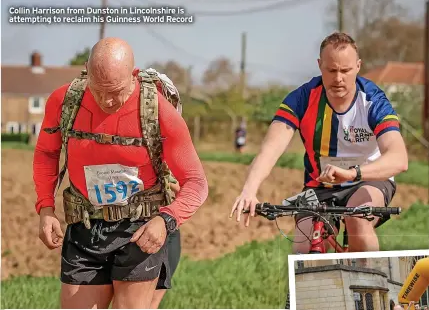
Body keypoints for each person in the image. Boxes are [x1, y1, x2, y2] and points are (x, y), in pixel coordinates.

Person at [33, 37, 208, 309]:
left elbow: (196, 182)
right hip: (85, 226)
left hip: (140, 229)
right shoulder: (64, 101)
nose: (106, 100)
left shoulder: (158, 111)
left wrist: (166, 220)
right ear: (86, 71)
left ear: (132, 75)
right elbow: (46, 153)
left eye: (115, 91)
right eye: (98, 90)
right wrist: (45, 208)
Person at [230, 32, 408, 253]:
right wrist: (249, 189)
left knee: (358, 219)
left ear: (358, 66)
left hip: (368, 180)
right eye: (331, 70)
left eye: (346, 70)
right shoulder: (302, 98)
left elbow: (399, 159)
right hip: (321, 186)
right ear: (319, 65)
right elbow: (270, 149)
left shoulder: (373, 101)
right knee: (304, 246)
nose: (338, 78)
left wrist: (353, 173)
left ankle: (372, 284)